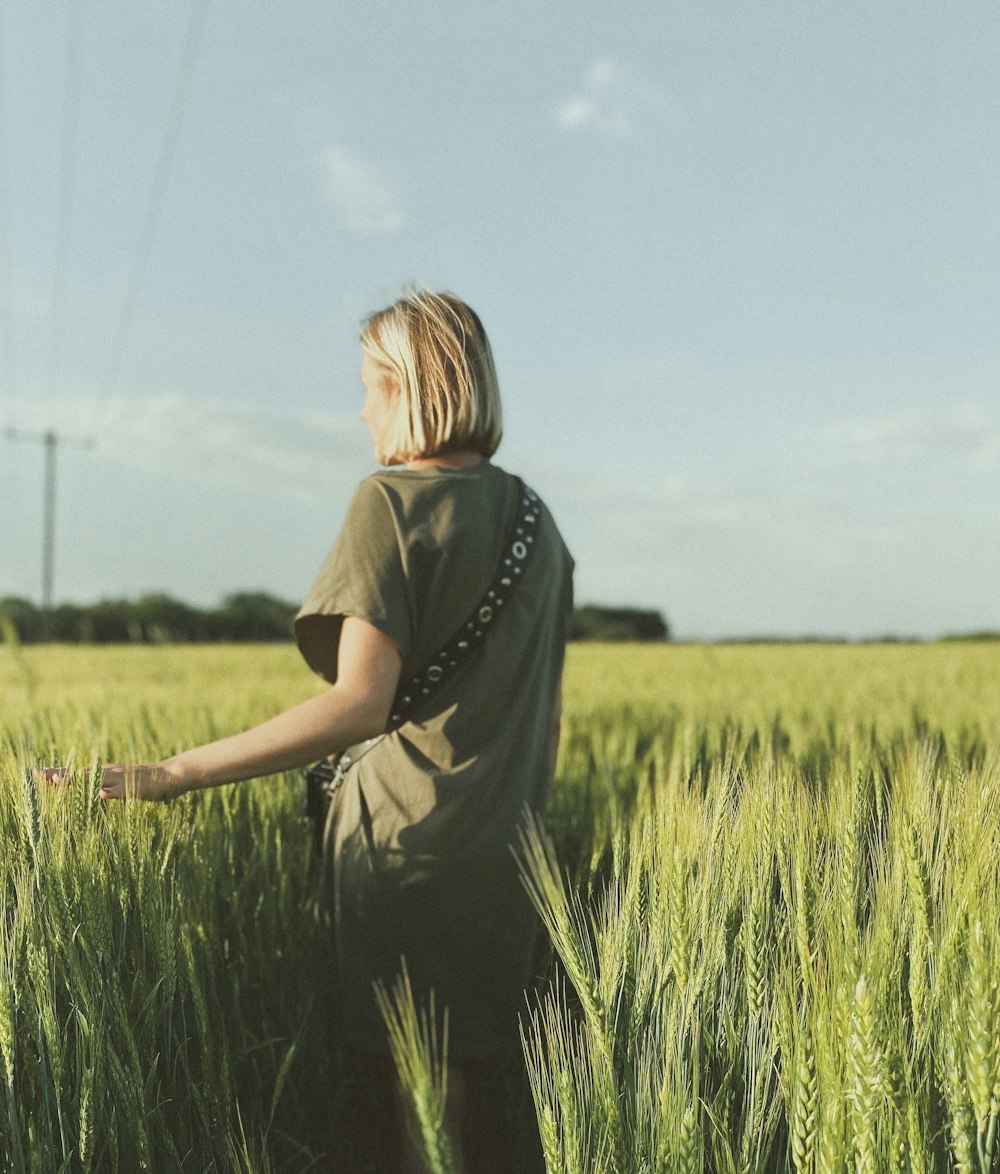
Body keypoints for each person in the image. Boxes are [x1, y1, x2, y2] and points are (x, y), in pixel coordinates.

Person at [43, 289, 574, 1172]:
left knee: (415, 1125)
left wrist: (172, 773)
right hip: (506, 859)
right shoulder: (538, 524)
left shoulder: (390, 504)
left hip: (405, 859)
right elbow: (547, 722)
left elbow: (359, 702)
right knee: (478, 1116)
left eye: (370, 383)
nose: (360, 406)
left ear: (413, 385)